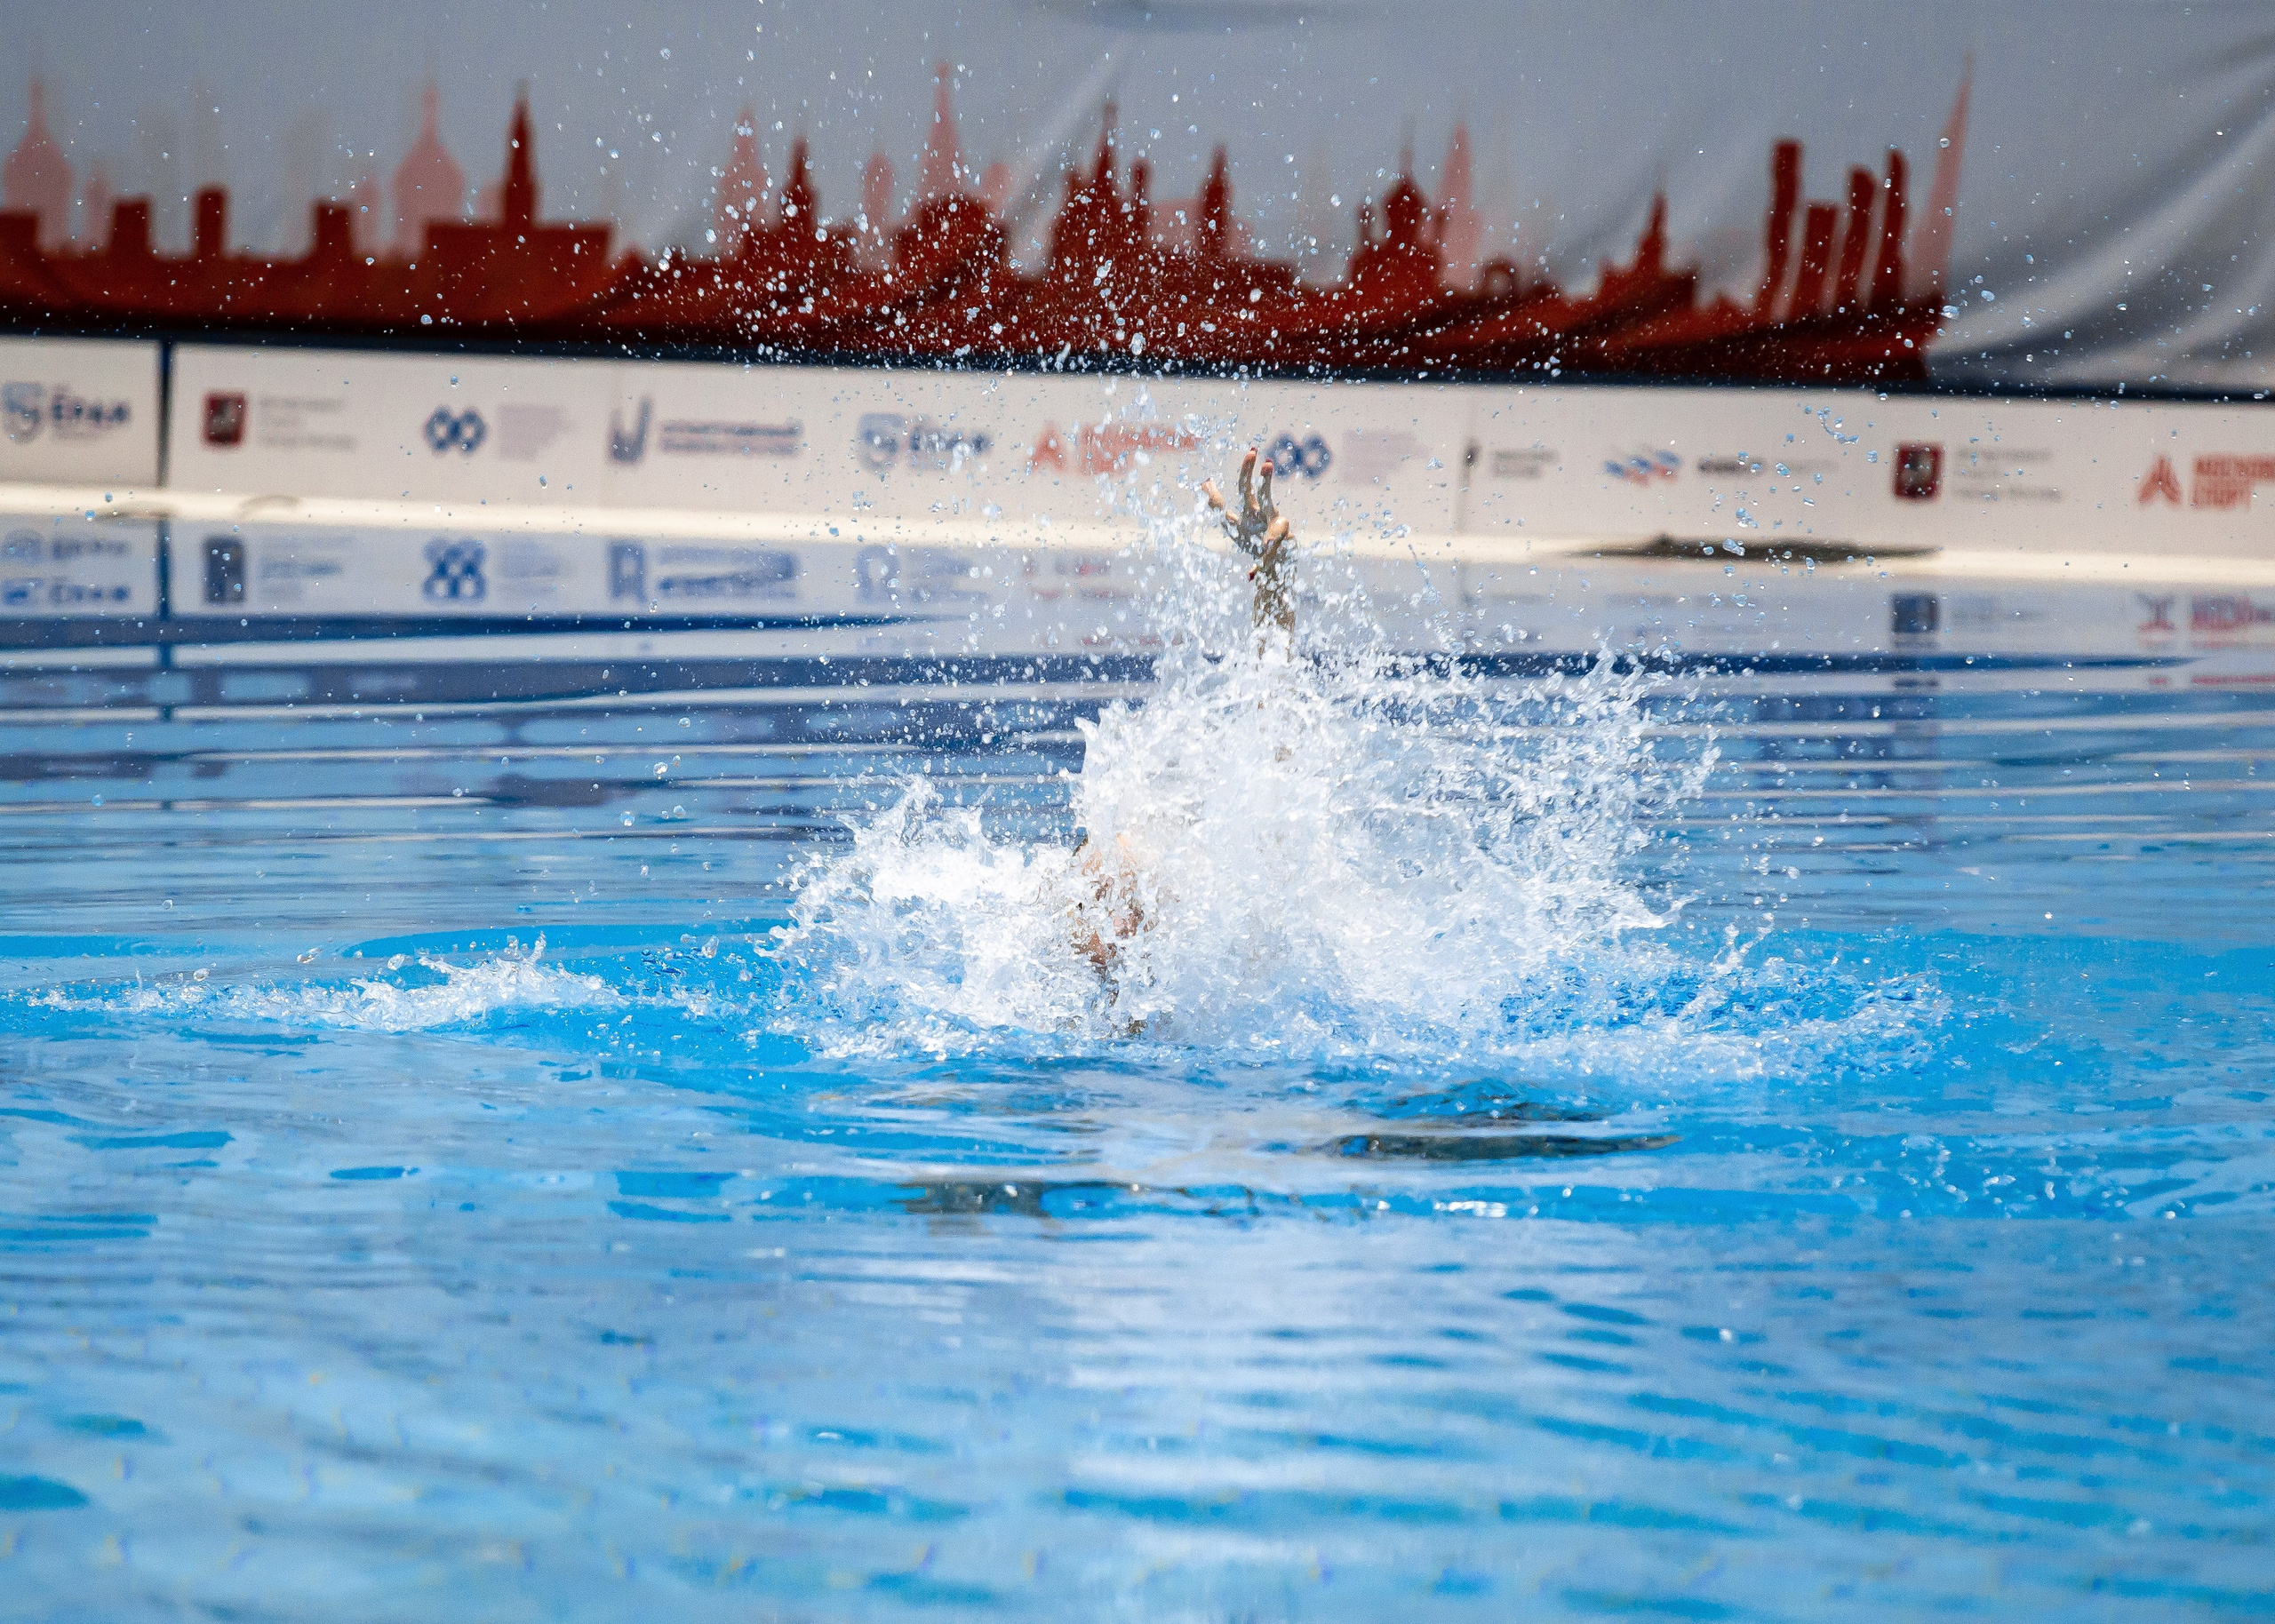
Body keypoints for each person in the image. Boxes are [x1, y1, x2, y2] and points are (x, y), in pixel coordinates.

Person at [1065, 449, 1296, 979]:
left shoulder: (1236, 950)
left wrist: (1276, 586)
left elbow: (1278, 722)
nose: (1122, 928)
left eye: (1133, 906)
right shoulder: (1034, 965)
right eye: (1106, 900)